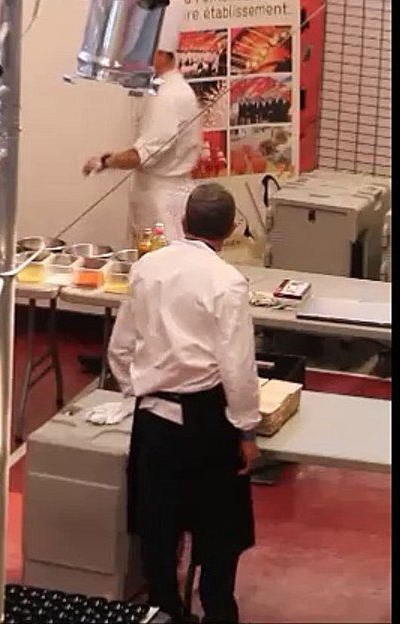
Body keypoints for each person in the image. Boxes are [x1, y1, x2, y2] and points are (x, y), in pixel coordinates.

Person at [108, 183, 260, 624]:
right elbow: (237, 365)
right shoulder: (227, 282)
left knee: (157, 526)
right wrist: (246, 428)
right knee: (219, 529)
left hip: (153, 417)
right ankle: (217, 609)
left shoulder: (147, 267)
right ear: (231, 229)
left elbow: (121, 347)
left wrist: (137, 389)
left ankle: (163, 610)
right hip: (207, 418)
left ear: (183, 221)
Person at [82, 0, 203, 244]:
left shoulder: (171, 96)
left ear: (160, 54)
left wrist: (105, 161)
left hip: (164, 205)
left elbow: (143, 154)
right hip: (152, 198)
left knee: (161, 269)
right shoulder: (160, 89)